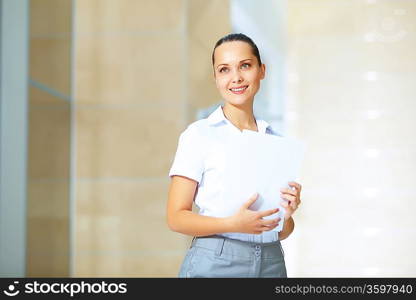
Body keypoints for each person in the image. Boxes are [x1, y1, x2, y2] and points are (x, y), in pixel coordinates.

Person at [167, 33, 302, 278]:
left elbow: (282, 231)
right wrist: (232, 224)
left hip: (272, 261)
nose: (236, 78)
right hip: (216, 261)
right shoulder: (199, 135)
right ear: (216, 78)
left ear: (261, 70)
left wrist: (288, 215)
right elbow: (176, 217)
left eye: (245, 66)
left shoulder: (277, 142)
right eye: (224, 70)